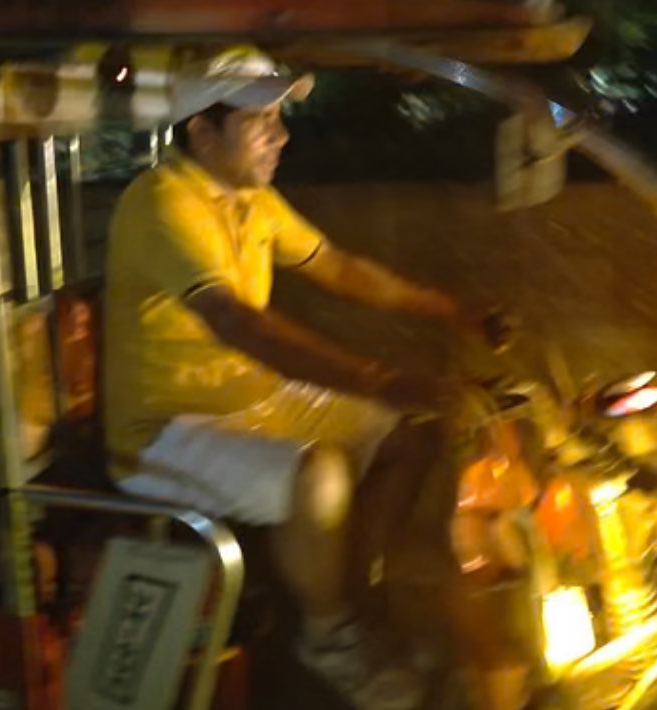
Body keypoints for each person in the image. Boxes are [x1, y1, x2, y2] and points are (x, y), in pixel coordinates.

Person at [103, 46, 489, 710]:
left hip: (251, 398)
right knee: (320, 474)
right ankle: (327, 637)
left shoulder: (252, 200)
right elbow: (240, 325)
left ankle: (354, 602)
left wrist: (455, 311)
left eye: (279, 118)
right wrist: (380, 379)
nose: (280, 135)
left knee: (411, 433)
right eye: (260, 120)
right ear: (202, 130)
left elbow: (337, 267)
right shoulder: (164, 203)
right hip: (164, 431)